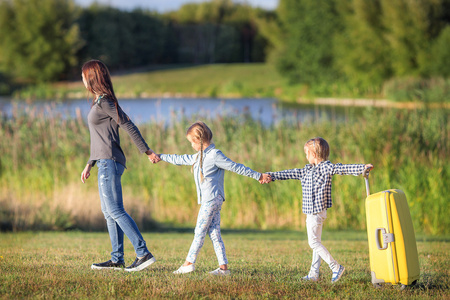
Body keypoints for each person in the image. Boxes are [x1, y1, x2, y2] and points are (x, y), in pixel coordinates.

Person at [157, 121, 270, 275]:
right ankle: (223, 268)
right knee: (214, 233)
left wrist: (258, 176)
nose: (191, 145)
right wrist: (161, 157)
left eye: (191, 142)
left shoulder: (215, 155)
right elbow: (181, 159)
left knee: (199, 231)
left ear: (198, 140)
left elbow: (236, 167)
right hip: (211, 200)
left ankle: (188, 263)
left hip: (211, 200)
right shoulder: (199, 156)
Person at [80, 59, 161, 272]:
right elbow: (99, 138)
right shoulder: (100, 102)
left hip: (110, 162)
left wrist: (147, 151)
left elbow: (127, 124)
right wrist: (90, 163)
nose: (81, 79)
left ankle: (143, 253)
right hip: (103, 161)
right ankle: (117, 259)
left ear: (91, 78)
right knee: (108, 212)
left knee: (115, 210)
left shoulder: (106, 102)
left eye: (83, 75)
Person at [263, 137, 373, 283]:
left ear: (314, 154)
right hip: (311, 213)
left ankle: (335, 267)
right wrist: (272, 176)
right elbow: (290, 173)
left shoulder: (325, 167)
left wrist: (361, 168)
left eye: (307, 153)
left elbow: (341, 168)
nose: (306, 156)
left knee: (313, 242)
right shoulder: (307, 170)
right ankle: (314, 274)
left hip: (317, 212)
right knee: (317, 243)